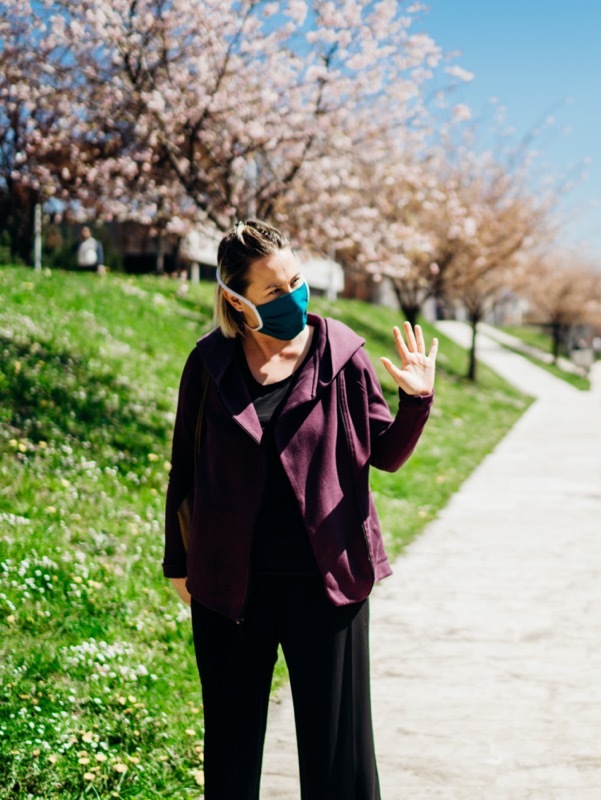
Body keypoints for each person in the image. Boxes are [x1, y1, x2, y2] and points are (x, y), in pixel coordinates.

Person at [162, 219, 437, 799]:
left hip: (327, 584)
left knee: (340, 762)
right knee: (232, 755)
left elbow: (384, 456)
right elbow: (184, 469)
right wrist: (177, 563)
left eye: (296, 281)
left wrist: (416, 400)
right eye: (273, 291)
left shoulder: (342, 354)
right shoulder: (209, 364)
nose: (293, 298)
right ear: (236, 301)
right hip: (230, 589)